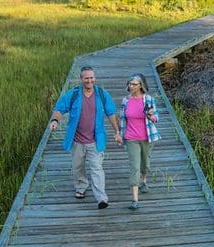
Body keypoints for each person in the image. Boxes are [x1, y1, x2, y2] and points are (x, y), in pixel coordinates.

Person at [49, 66, 121, 209]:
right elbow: (59, 109)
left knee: (97, 168)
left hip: (95, 140)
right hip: (77, 140)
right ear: (81, 79)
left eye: (91, 78)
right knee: (78, 167)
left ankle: (101, 198)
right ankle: (81, 187)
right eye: (86, 78)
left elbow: (111, 113)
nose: (89, 80)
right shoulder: (74, 94)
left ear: (95, 78)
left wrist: (118, 131)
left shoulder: (101, 94)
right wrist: (55, 121)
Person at [117, 72, 160, 210]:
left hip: (147, 136)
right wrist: (119, 135)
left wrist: (151, 116)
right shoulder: (125, 100)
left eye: (135, 84)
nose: (132, 87)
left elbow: (156, 118)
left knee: (145, 163)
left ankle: (144, 180)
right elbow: (122, 119)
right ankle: (135, 200)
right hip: (131, 138)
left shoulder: (148, 99)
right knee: (134, 166)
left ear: (141, 86)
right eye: (130, 84)